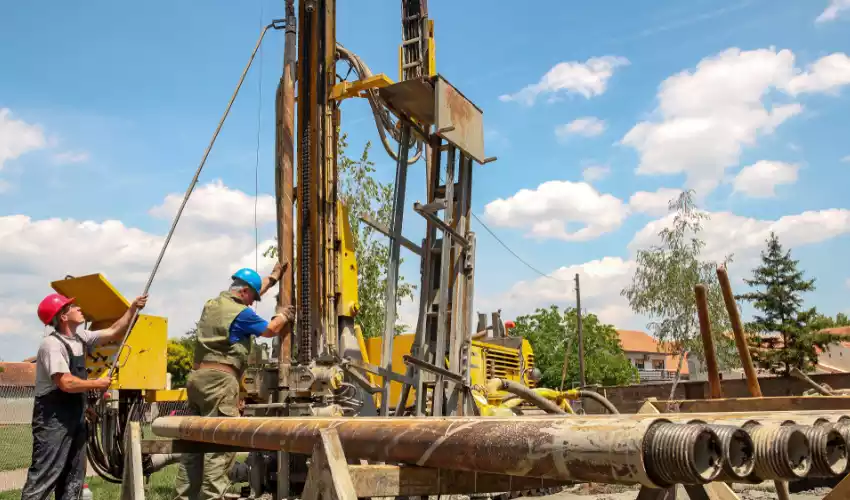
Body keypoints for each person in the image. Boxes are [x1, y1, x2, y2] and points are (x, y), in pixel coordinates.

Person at [175, 264, 294, 500]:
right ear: (244, 293)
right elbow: (270, 330)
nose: (252, 304)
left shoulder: (212, 305)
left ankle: (184, 496)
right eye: (252, 298)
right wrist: (284, 315)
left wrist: (272, 278)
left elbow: (246, 293)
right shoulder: (242, 313)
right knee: (219, 445)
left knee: (193, 446)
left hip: (197, 381)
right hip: (219, 383)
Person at [21, 291, 148, 500]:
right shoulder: (52, 345)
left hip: (75, 417)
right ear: (63, 316)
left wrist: (133, 308)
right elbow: (65, 382)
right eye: (73, 306)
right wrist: (96, 384)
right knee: (45, 476)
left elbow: (115, 331)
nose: (79, 308)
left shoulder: (81, 338)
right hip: (53, 421)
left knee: (73, 479)